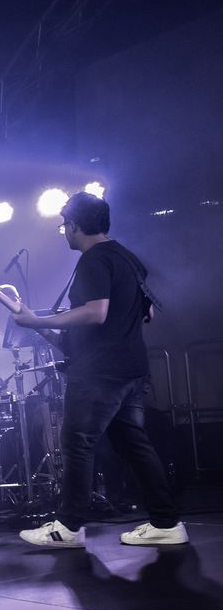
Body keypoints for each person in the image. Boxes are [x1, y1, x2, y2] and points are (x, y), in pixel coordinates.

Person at [14, 191, 187, 548]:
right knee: (133, 444)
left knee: (77, 444)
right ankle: (167, 523)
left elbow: (96, 312)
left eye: (64, 225)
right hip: (131, 368)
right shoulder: (127, 257)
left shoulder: (93, 260)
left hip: (99, 373)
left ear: (74, 225)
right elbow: (148, 312)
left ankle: (68, 527)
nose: (64, 231)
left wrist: (41, 320)